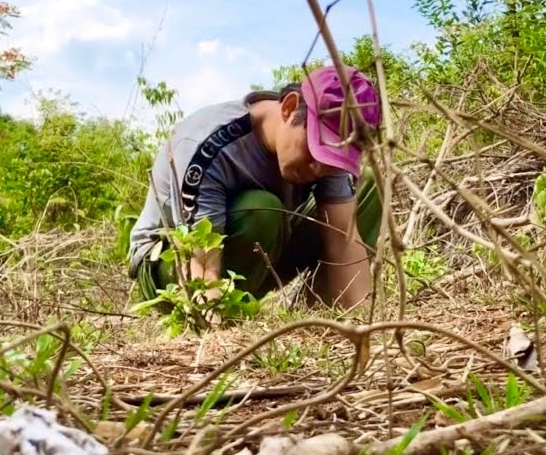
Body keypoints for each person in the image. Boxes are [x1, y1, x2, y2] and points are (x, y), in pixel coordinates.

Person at [126, 64, 383, 317]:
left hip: (260, 252)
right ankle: (228, 320)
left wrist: (360, 328)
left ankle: (320, 318)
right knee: (261, 209)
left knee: (367, 187)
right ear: (289, 108)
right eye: (316, 150)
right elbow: (203, 265)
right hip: (172, 262)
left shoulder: (326, 157)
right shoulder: (209, 147)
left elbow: (344, 241)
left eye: (333, 158)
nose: (319, 167)